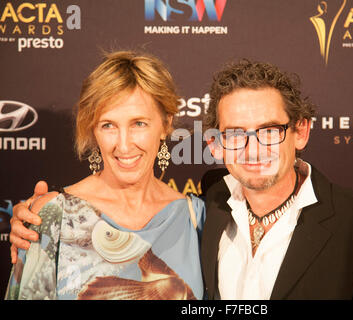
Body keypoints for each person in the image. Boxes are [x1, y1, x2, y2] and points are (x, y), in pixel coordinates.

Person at [10, 59, 353, 300]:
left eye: (269, 130)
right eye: (109, 125)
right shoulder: (49, 218)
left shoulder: (195, 214)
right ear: (217, 144)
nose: (125, 142)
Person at [199, 59, 353, 299]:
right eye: (236, 134)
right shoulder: (206, 210)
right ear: (216, 145)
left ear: (300, 132)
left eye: (269, 131)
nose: (253, 150)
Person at [5, 51, 205, 300]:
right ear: (93, 130)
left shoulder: (195, 219)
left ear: (165, 125)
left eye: (138, 124)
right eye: (108, 125)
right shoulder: (54, 216)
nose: (123, 145)